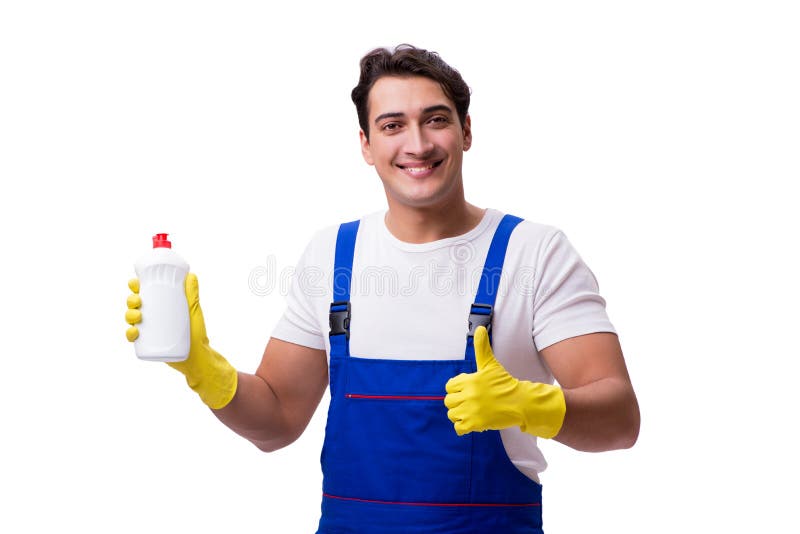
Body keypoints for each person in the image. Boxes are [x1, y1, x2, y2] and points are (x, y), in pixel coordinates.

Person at [125, 44, 640, 533]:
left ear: (465, 130)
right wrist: (202, 367)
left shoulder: (535, 254)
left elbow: (620, 419)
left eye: (435, 119)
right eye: (392, 126)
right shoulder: (332, 256)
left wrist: (532, 406)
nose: (417, 144)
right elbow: (278, 419)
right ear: (367, 146)